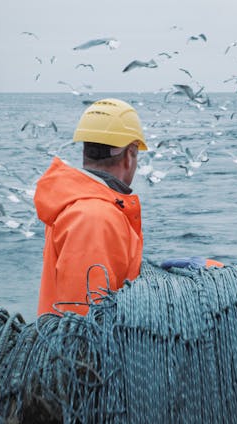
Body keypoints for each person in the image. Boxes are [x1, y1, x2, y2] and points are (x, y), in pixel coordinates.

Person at [35, 98, 147, 316]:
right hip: (78, 348)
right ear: (130, 154)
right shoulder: (94, 218)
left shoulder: (83, 204)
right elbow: (83, 318)